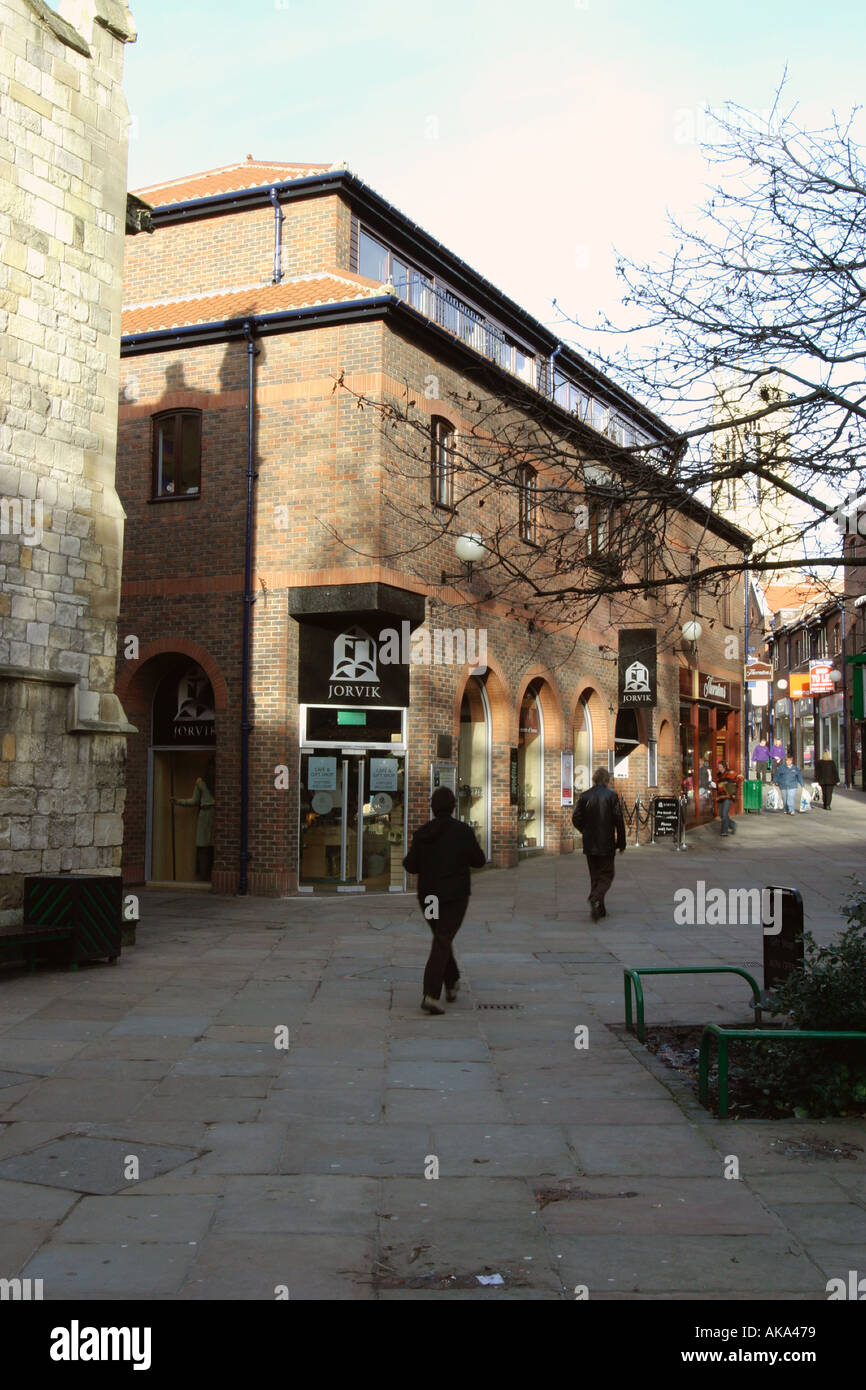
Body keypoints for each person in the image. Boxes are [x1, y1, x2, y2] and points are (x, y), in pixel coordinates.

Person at [403, 786, 486, 1015]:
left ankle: (451, 983)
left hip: (429, 896)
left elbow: (410, 865)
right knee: (443, 938)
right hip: (454, 896)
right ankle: (431, 993)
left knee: (441, 937)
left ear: (432, 808)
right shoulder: (463, 831)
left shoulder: (423, 833)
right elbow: (479, 861)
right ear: (453, 807)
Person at [572, 766, 626, 920]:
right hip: (606, 843)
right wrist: (621, 843)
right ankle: (595, 898)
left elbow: (576, 818)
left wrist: (586, 830)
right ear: (606, 780)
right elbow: (618, 821)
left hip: (590, 843)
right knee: (607, 874)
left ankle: (599, 909)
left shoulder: (584, 796)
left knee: (595, 875)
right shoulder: (611, 796)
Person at [171, 758, 215, 880]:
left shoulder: (221, 781)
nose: (212, 770)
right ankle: (203, 875)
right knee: (202, 846)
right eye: (210, 767)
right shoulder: (200, 782)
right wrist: (178, 801)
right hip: (204, 814)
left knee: (215, 845)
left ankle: (212, 874)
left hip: (216, 814)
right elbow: (194, 800)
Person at [715, 760, 741, 837]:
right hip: (721, 796)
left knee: (724, 814)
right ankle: (733, 825)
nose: (719, 768)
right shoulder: (718, 775)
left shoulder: (730, 773)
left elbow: (740, 777)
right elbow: (718, 785)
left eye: (720, 767)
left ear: (724, 766)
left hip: (728, 796)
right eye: (718, 767)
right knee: (722, 815)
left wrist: (735, 785)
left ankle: (724, 831)